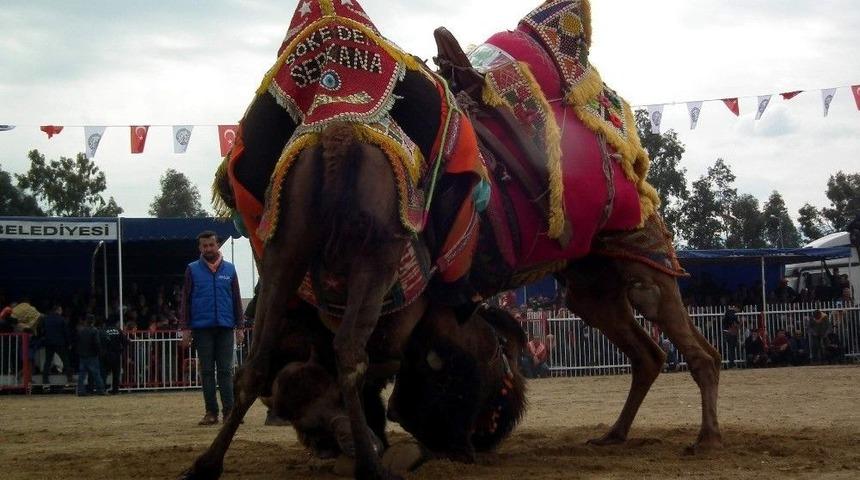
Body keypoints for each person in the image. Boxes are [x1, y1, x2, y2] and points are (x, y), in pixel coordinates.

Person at [180, 231, 243, 425]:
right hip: (202, 328)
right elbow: (186, 300)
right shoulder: (192, 269)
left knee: (225, 371)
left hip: (225, 326)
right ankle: (211, 412)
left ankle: (230, 412)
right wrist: (186, 328)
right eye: (204, 246)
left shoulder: (230, 270)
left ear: (217, 246)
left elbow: (236, 299)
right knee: (206, 372)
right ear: (200, 248)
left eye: (211, 245)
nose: (208, 249)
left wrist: (240, 326)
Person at [38, 304, 74, 384]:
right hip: (59, 343)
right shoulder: (62, 319)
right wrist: (69, 343)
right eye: (61, 310)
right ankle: (69, 377)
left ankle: (45, 379)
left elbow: (42, 330)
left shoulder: (46, 319)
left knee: (48, 361)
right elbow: (66, 333)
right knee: (65, 360)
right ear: (58, 310)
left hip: (49, 342)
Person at [76, 315, 106, 396]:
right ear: (93, 321)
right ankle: (101, 390)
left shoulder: (81, 330)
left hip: (82, 355)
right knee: (96, 374)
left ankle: (80, 391)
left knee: (82, 375)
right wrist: (99, 352)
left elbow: (78, 342)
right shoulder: (94, 330)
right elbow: (97, 343)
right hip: (92, 355)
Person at [100, 316, 128, 394]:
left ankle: (103, 389)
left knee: (104, 373)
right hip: (116, 354)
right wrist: (122, 350)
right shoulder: (118, 330)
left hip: (106, 354)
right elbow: (125, 341)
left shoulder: (103, 330)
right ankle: (115, 390)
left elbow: (100, 342)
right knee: (116, 373)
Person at [721, 304, 740, 368]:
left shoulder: (727, 312)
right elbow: (734, 324)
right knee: (731, 348)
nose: (738, 311)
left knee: (729, 348)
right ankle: (731, 363)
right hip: (730, 332)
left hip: (726, 331)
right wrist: (740, 323)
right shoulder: (732, 313)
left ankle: (730, 363)